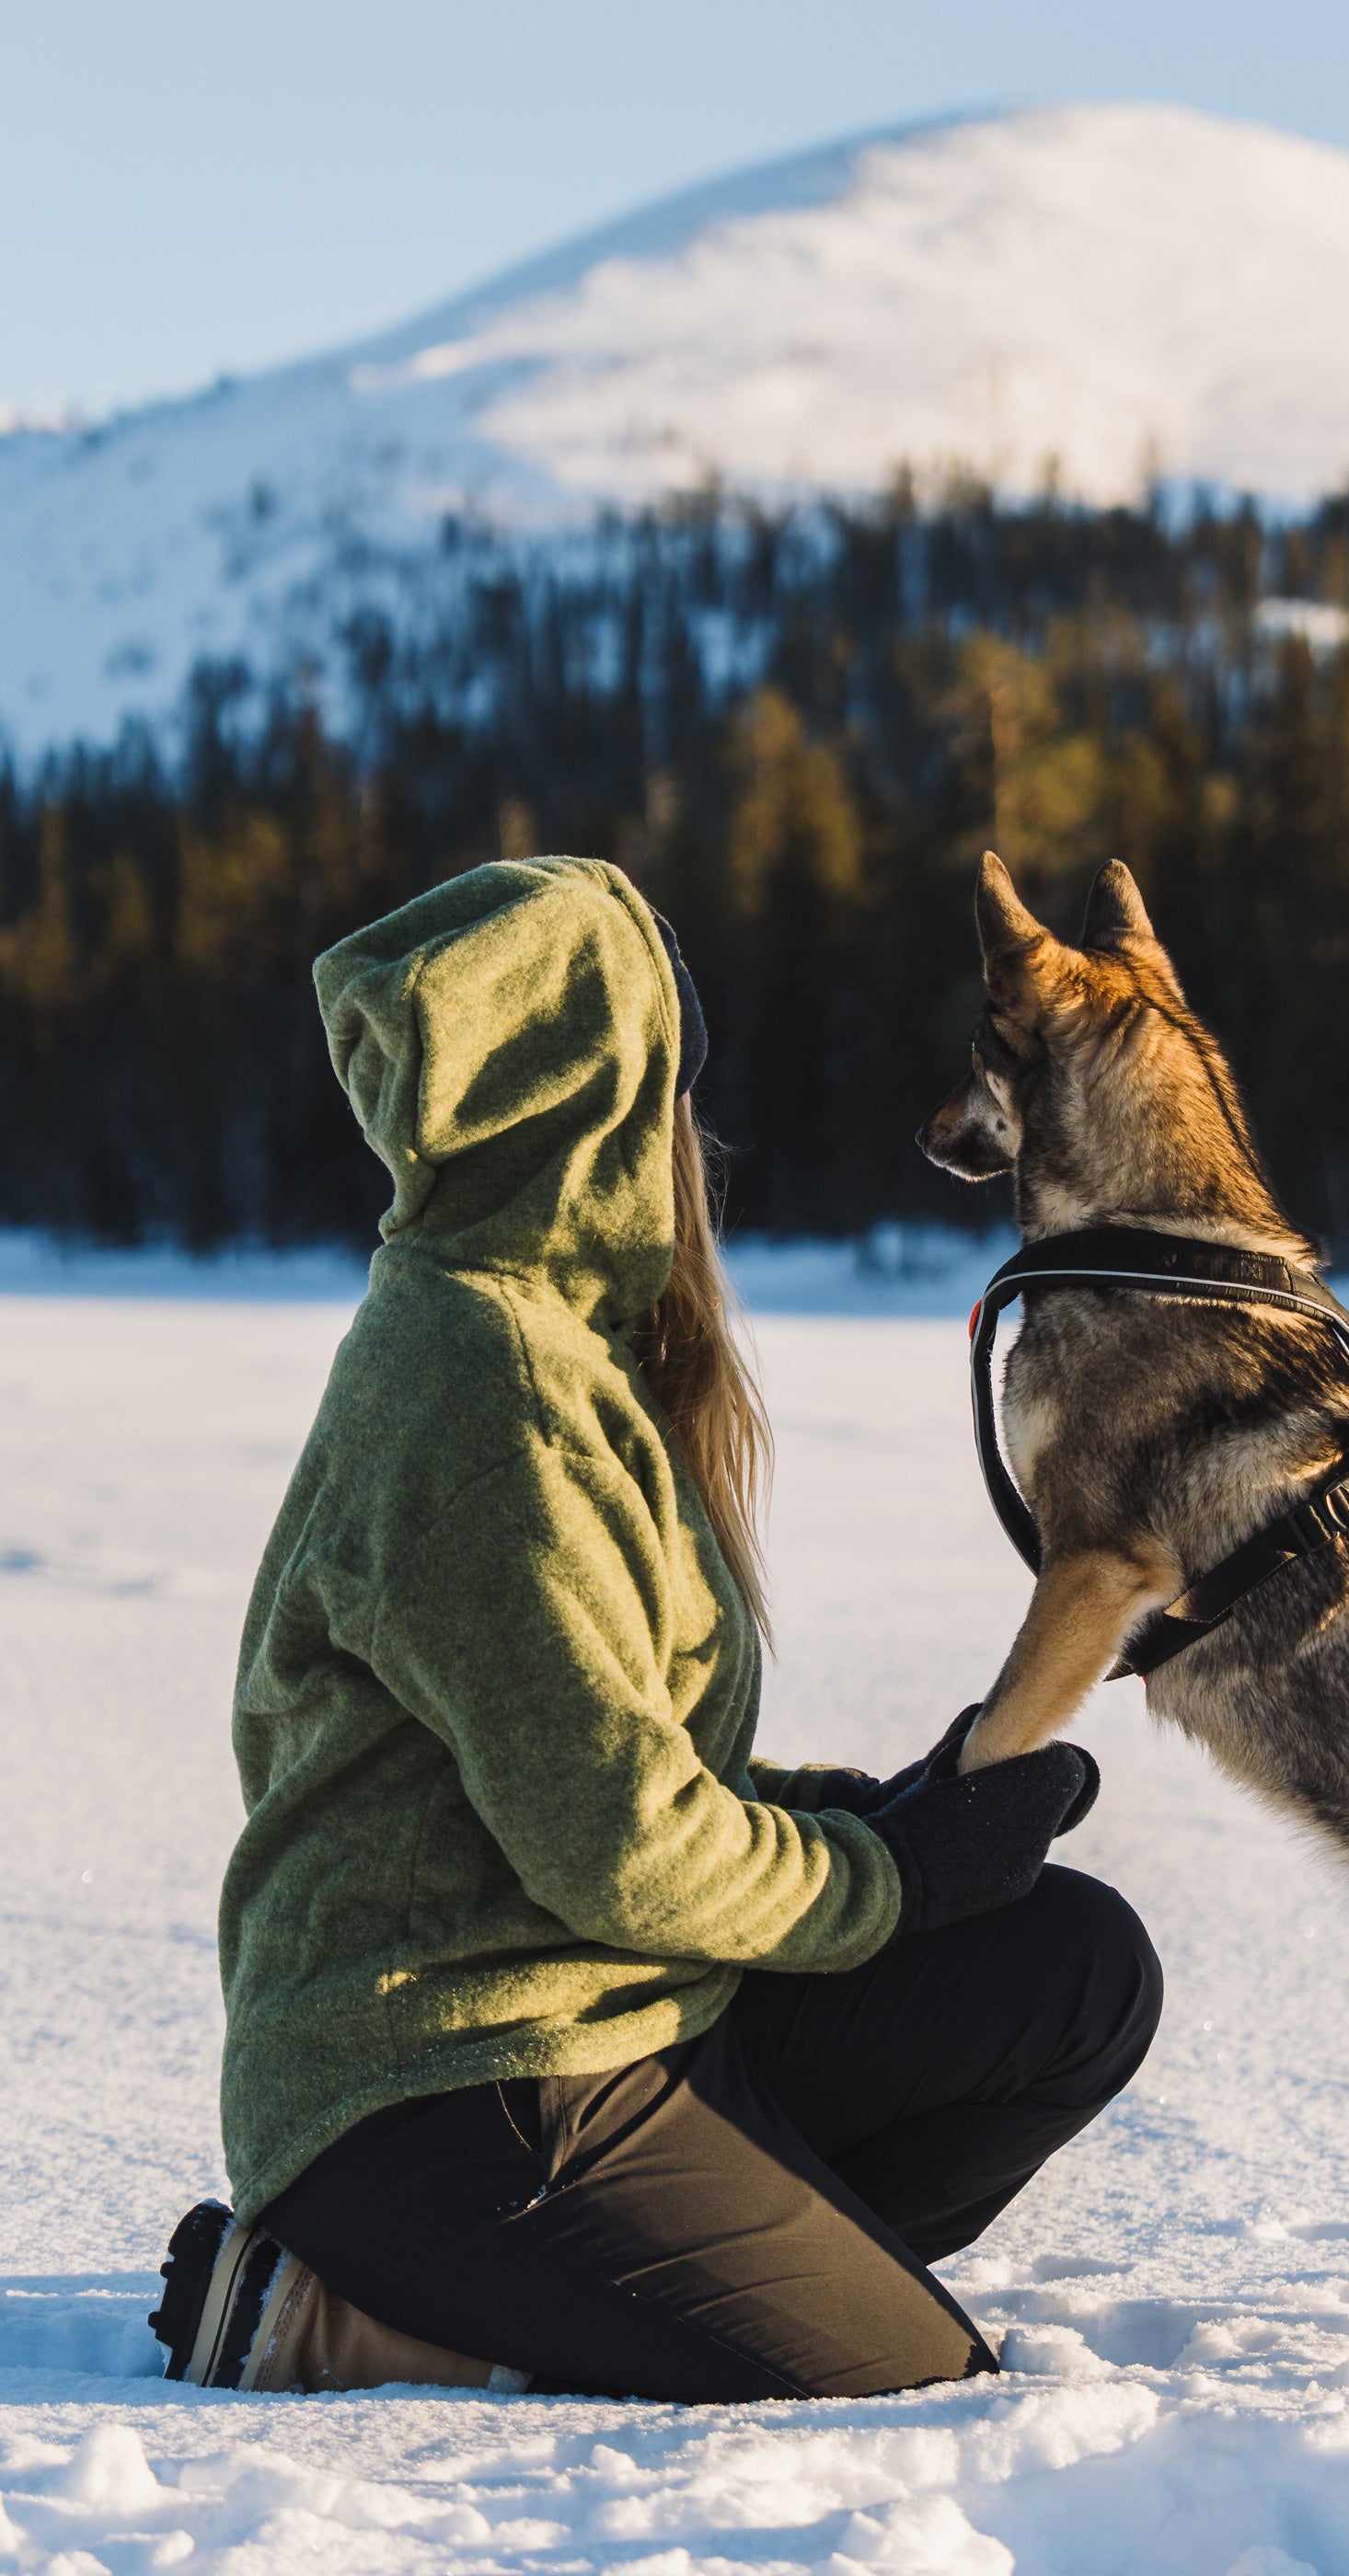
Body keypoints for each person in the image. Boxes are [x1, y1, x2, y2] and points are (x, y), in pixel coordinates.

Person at [149, 856, 1161, 2400]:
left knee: (1073, 1967)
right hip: (450, 2077)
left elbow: (637, 1761)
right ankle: (346, 2311)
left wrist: (895, 1814)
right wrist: (889, 1880)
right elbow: (618, 1840)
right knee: (906, 2377)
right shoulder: (480, 1391)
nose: (699, 1133)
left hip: (626, 2004)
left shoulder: (563, 1346)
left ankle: (699, 2271)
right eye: (675, 1088)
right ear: (597, 1102)